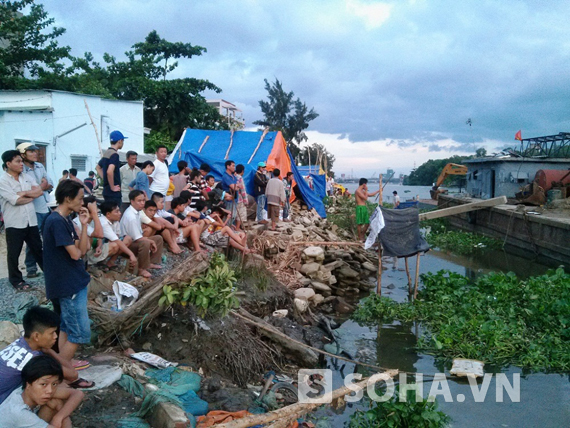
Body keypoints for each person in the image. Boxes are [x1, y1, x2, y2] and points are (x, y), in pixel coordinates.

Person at [43, 180, 94, 371]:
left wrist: (83, 224)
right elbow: (75, 254)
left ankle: (63, 362)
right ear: (67, 198)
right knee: (79, 331)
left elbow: (85, 248)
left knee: (66, 326)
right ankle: (61, 371)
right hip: (68, 284)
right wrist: (79, 246)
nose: (82, 203)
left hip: (72, 280)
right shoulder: (56, 221)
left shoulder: (65, 219)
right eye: (80, 199)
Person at [0, 306, 88, 405]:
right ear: (36, 336)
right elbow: (73, 375)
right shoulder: (35, 359)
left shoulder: (20, 342)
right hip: (3, 407)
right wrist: (50, 351)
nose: (55, 336)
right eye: (51, 333)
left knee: (54, 382)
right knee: (58, 392)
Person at [0, 150, 44, 291]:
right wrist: (29, 197)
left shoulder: (26, 177)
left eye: (21, 161)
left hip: (31, 220)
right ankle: (16, 280)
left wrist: (24, 193)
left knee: (38, 249)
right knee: (14, 253)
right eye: (18, 161)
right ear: (8, 164)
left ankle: (49, 272)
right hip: (15, 223)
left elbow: (39, 192)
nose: (21, 164)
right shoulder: (3, 181)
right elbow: (16, 200)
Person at [0, 355, 84, 428]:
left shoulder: (23, 390)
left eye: (54, 384)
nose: (50, 390)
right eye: (43, 384)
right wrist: (63, 418)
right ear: (28, 384)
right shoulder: (19, 412)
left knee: (55, 402)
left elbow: (77, 394)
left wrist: (59, 417)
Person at [18, 143, 53, 279]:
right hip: (32, 208)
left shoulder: (40, 166)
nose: (35, 154)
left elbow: (49, 184)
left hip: (45, 206)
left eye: (35, 151)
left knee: (47, 239)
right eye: (31, 151)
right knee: (34, 240)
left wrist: (39, 188)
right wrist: (41, 187)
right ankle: (31, 268)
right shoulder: (21, 170)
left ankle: (47, 266)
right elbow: (25, 190)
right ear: (23, 154)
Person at [120, 190, 164, 279]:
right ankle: (141, 269)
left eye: (143, 200)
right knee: (146, 243)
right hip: (126, 245)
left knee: (158, 238)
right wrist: (151, 241)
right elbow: (137, 238)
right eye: (139, 201)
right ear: (132, 201)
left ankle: (150, 262)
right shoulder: (131, 216)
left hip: (135, 240)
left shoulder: (138, 212)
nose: (142, 203)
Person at [98, 201, 137, 269]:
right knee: (115, 245)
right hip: (97, 248)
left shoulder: (115, 221)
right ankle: (98, 262)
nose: (120, 213)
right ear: (108, 214)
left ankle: (111, 262)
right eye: (117, 211)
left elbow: (117, 236)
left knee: (128, 238)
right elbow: (117, 241)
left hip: (107, 244)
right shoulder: (103, 223)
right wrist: (131, 254)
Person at [96, 130, 126, 205]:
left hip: (106, 190)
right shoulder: (114, 155)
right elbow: (110, 171)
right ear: (119, 141)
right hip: (113, 193)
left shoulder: (107, 153)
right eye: (123, 141)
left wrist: (105, 178)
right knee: (115, 214)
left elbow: (98, 167)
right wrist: (112, 187)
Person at [234, 164, 249, 230]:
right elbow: (243, 190)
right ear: (242, 171)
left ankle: (235, 228)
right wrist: (246, 201)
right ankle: (237, 228)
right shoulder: (240, 178)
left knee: (235, 214)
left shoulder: (233, 177)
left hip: (234, 199)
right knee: (240, 215)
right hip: (240, 199)